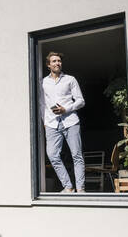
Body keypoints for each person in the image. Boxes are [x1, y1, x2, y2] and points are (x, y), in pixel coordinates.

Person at [40, 52, 86, 193]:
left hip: (71, 122)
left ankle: (80, 189)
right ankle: (68, 186)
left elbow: (80, 101)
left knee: (76, 155)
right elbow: (42, 104)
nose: (57, 63)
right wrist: (45, 121)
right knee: (52, 155)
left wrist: (66, 109)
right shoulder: (42, 82)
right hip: (52, 124)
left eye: (59, 61)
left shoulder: (70, 80)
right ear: (49, 65)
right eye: (54, 61)